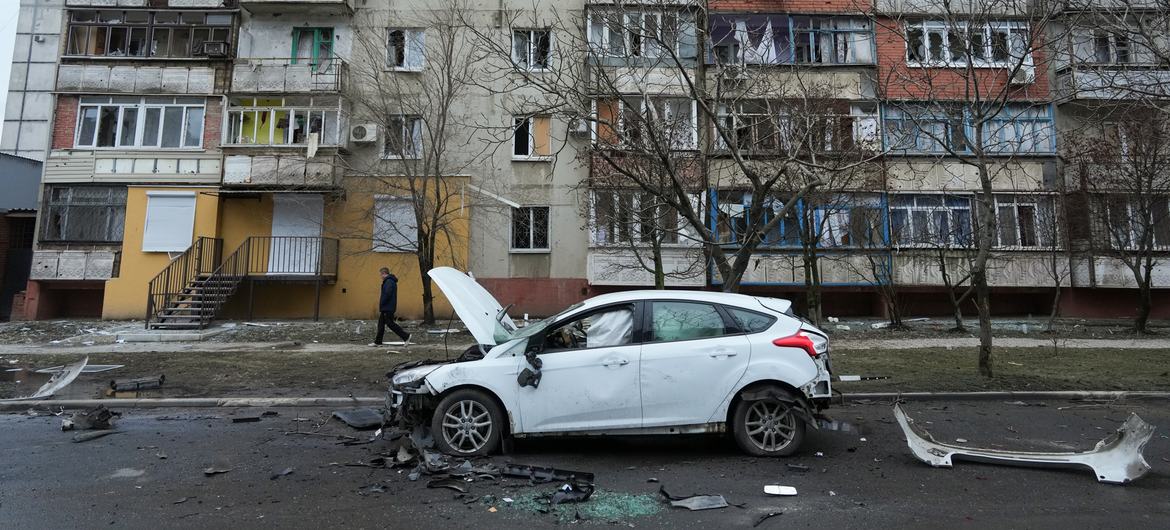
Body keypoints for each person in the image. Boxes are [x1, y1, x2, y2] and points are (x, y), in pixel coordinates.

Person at [371, 267, 411, 346]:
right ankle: (378, 341)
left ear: (384, 273)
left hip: (387, 307)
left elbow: (387, 294)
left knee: (390, 324)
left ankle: (406, 336)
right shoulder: (389, 281)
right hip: (387, 307)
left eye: (381, 275)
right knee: (381, 324)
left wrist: (382, 303)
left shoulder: (389, 282)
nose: (380, 277)